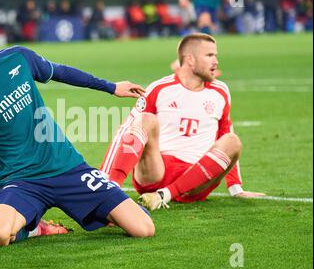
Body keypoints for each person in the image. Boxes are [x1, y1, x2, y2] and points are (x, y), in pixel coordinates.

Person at [0, 10, 154, 246]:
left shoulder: (18, 57)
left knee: (143, 228)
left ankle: (109, 207)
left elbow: (61, 72)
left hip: (68, 167)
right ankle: (35, 227)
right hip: (22, 181)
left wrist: (111, 87)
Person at [100, 33, 265, 211]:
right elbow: (126, 130)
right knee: (144, 119)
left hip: (197, 180)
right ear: (190, 60)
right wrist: (104, 179)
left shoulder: (221, 91)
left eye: (216, 55)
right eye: (209, 55)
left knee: (232, 140)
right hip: (156, 173)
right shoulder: (160, 88)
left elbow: (225, 133)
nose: (216, 61)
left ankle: (164, 196)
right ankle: (109, 194)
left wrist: (235, 187)